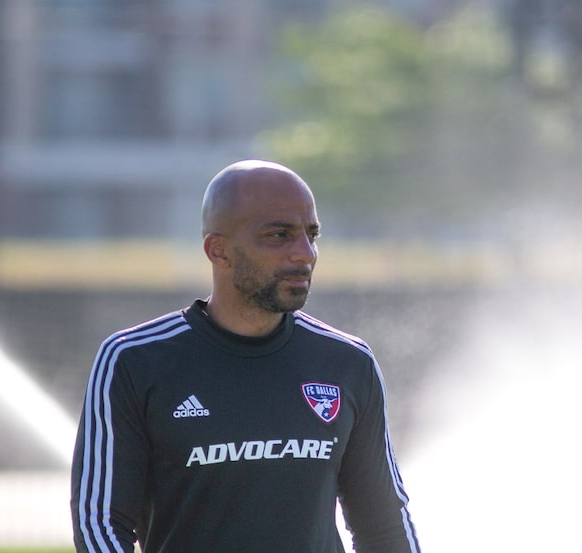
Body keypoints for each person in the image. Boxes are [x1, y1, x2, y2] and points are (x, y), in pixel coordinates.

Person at [70, 160, 421, 552]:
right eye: (279, 235)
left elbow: (385, 527)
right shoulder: (134, 360)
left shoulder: (348, 362)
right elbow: (100, 524)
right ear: (218, 251)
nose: (305, 254)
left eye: (311, 234)